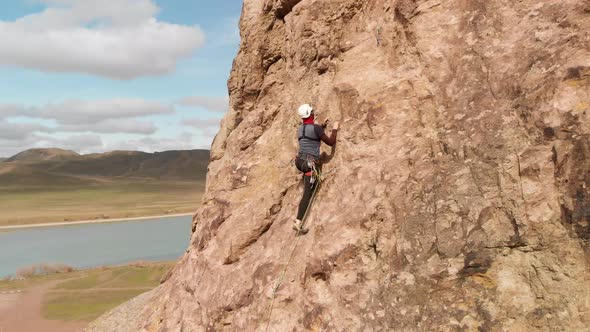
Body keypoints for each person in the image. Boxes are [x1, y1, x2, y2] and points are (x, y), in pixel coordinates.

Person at [293, 104, 339, 234]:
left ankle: (298, 220)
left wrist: (322, 127)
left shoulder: (300, 129)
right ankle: (298, 222)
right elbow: (330, 142)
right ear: (310, 114)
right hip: (309, 164)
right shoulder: (316, 129)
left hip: (299, 162)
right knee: (307, 194)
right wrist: (334, 129)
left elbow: (311, 135)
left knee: (308, 189)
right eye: (312, 112)